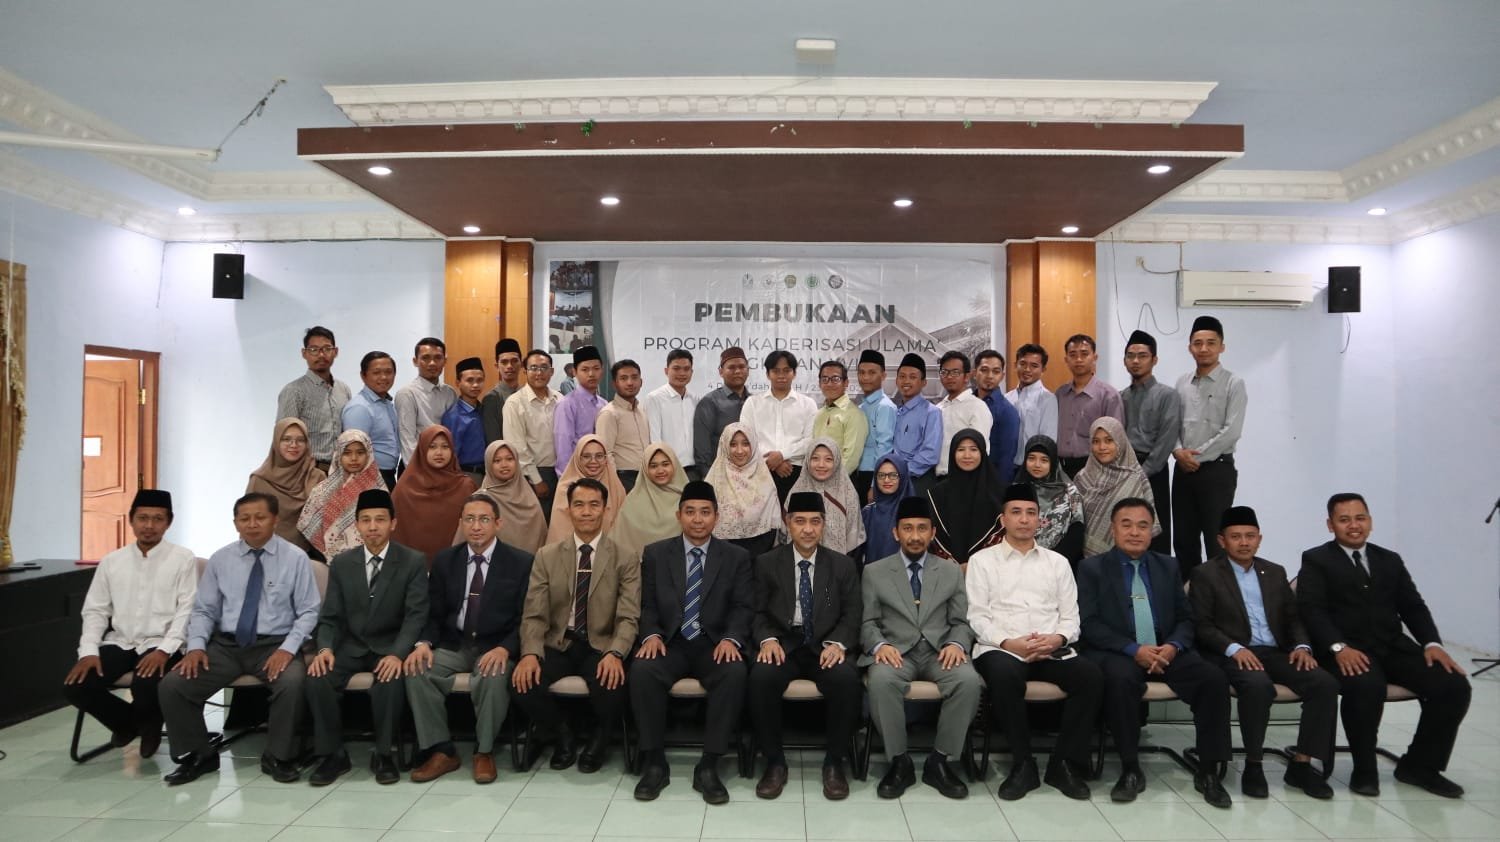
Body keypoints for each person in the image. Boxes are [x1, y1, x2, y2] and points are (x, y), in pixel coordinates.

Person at [1296, 493, 1470, 799]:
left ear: (1370, 521)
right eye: (1344, 520)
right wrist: (1337, 647)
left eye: (1360, 518)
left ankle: (1420, 766)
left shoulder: (1390, 560)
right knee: (1365, 686)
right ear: (1330, 525)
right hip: (1345, 650)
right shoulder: (1316, 559)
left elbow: (1413, 606)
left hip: (1392, 646)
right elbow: (1312, 611)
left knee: (1453, 685)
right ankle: (1364, 770)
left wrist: (1432, 643)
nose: (1354, 526)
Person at [1076, 498, 1233, 809]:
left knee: (1213, 679)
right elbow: (1088, 623)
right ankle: (1130, 768)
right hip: (1120, 651)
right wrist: (1134, 649)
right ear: (1113, 529)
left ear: (1152, 531)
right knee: (1119, 681)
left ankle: (1208, 770)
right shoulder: (1092, 568)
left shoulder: (1168, 566)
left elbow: (1186, 618)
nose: (1135, 532)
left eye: (1143, 526)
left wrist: (1173, 646)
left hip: (1166, 649)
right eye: (1127, 525)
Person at [159, 492, 321, 786]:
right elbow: (204, 610)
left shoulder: (295, 558)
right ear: (235, 523)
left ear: (275, 520)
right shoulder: (221, 559)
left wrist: (288, 649)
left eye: (260, 517)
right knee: (174, 685)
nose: (252, 524)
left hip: (275, 644)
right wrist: (195, 647)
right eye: (244, 518)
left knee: (293, 682)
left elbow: (309, 611)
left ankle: (279, 756)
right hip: (226, 646)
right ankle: (199, 754)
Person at [1189, 506, 1337, 799]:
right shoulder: (1206, 573)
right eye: (1236, 537)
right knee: (1258, 686)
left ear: (1259, 539)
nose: (1244, 542)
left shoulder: (1274, 572)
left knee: (1324, 683)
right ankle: (1254, 765)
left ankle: (1302, 764)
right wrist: (1234, 649)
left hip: (1276, 651)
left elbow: (1293, 618)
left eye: (1250, 536)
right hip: (1233, 653)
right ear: (1221, 541)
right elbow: (1201, 625)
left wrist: (1302, 646)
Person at [967, 484, 1100, 801]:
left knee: (1091, 677)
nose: (1024, 519)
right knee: (1004, 676)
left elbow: (1071, 617)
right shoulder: (982, 561)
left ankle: (1062, 763)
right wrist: (1009, 643)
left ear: (1040, 520)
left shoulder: (1057, 563)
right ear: (1003, 520)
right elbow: (977, 617)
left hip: (1050, 649)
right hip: (1001, 648)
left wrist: (1057, 638)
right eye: (1016, 512)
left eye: (1030, 513)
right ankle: (1023, 764)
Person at [630, 481, 755, 804]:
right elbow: (647, 604)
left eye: (705, 512)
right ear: (679, 515)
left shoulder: (736, 557)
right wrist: (651, 635)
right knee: (643, 670)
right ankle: (655, 762)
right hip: (670, 642)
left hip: (713, 643)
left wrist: (731, 639)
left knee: (734, 672)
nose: (697, 519)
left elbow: (743, 606)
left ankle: (709, 765)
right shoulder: (656, 554)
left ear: (716, 517)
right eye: (690, 512)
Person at [514, 477, 642, 773]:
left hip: (601, 644)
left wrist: (616, 653)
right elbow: (534, 613)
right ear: (568, 510)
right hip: (558, 642)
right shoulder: (547, 556)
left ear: (605, 510)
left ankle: (599, 740)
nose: (586, 512)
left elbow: (628, 615)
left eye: (594, 505)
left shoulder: (625, 557)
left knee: (614, 685)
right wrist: (530, 653)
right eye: (579, 505)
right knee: (521, 683)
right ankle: (563, 734)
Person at [405, 494, 535, 784]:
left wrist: (505, 648)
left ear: (498, 524)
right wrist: (423, 644)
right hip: (454, 644)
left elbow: (526, 618)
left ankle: (484, 751)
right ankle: (441, 750)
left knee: (493, 674)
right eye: (470, 519)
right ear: (461, 523)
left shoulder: (520, 562)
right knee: (416, 669)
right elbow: (433, 613)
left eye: (484, 519)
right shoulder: (445, 560)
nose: (476, 526)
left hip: (495, 645)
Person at [304, 488, 428, 786]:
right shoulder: (342, 563)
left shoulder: (412, 561)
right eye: (366, 520)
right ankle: (332, 755)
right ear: (357, 525)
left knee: (390, 680)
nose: (373, 526)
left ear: (393, 523)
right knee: (319, 677)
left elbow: (415, 616)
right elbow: (331, 616)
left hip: (389, 646)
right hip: (350, 646)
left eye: (380, 520)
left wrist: (397, 653)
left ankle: (384, 754)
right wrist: (324, 649)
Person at [862, 496, 981, 801]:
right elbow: (867, 623)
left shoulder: (951, 571)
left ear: (932, 533)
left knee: (968, 681)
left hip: (939, 652)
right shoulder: (875, 572)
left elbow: (961, 621)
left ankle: (940, 761)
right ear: (895, 533)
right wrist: (880, 644)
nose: (915, 536)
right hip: (896, 653)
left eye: (922, 528)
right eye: (908, 528)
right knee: (881, 680)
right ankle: (899, 762)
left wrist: (956, 643)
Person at [64, 489, 196, 759]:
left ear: (169, 522)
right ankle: (131, 723)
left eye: (158, 519)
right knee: (76, 685)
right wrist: (88, 651)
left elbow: (188, 609)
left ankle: (148, 724)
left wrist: (165, 650)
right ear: (131, 520)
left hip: (162, 643)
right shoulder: (112, 561)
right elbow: (95, 611)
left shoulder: (183, 559)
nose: (149, 525)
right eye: (143, 518)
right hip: (121, 641)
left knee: (146, 683)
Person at [748, 492, 862, 801]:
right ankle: (774, 762)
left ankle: (834, 763)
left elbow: (853, 613)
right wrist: (767, 639)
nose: (808, 529)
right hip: (783, 643)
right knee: (761, 678)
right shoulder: (767, 563)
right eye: (800, 521)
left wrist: (838, 644)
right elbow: (756, 611)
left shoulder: (842, 565)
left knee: (846, 680)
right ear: (788, 523)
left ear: (824, 524)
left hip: (824, 645)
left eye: (815, 522)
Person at [1172, 315, 1247, 578]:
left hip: (1217, 471)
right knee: (1183, 540)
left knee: (1216, 540)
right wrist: (1177, 451)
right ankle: (1188, 595)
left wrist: (1195, 457)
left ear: (1221, 347)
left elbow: (1231, 431)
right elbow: (1173, 424)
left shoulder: (1233, 383)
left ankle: (1218, 596)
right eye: (1198, 343)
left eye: (1211, 343)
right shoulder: (1181, 382)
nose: (1203, 348)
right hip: (1183, 470)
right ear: (1190, 347)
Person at [1121, 330, 1181, 555]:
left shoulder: (1167, 395)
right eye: (1130, 356)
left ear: (1154, 360)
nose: (1136, 361)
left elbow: (1167, 439)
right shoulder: (1120, 396)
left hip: (1154, 471)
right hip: (1125, 470)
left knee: (1156, 534)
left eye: (1142, 356)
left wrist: (1142, 473)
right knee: (1125, 530)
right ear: (1124, 361)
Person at [391, 425, 478, 564]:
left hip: (456, 566)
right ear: (422, 449)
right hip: (413, 568)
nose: (439, 452)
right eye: (432, 447)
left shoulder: (465, 487)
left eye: (445, 446)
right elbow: (394, 532)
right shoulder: (405, 488)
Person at [1074, 417, 1159, 557]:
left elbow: (1148, 523)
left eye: (1109, 440)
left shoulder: (1135, 477)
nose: (1102, 447)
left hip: (1131, 557)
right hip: (1089, 561)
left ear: (1120, 441)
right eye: (1096, 441)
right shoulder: (1082, 478)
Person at [741, 350, 817, 504]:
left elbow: (810, 440)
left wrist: (782, 455)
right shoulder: (752, 403)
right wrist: (772, 461)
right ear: (768, 374)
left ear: (794, 373)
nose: (781, 375)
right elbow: (746, 439)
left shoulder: (808, 404)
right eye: (776, 371)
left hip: (797, 472)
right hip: (760, 470)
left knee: (795, 517)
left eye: (786, 370)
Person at [299, 429, 389, 558]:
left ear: (369, 454)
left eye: (360, 452)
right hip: (327, 562)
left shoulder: (379, 491)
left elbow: (385, 529)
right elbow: (312, 533)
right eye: (347, 453)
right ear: (338, 455)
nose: (354, 458)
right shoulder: (322, 491)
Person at [245, 417, 326, 555]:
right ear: (276, 442)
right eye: (286, 439)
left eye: (300, 440)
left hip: (309, 555)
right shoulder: (259, 480)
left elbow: (325, 523)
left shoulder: (317, 477)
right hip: (265, 553)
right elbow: (248, 523)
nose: (293, 445)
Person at [276, 325, 352, 471]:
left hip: (341, 471)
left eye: (327, 349)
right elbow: (283, 439)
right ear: (304, 353)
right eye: (314, 349)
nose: (321, 355)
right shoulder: (293, 391)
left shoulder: (343, 390)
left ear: (335, 352)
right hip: (308, 471)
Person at [926, 429, 1003, 569]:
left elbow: (1003, 535)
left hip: (989, 570)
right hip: (946, 571)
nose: (967, 455)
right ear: (952, 453)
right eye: (961, 449)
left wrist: (974, 565)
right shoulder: (937, 494)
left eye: (973, 449)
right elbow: (933, 536)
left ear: (982, 453)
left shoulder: (998, 492)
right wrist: (955, 567)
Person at [704, 423, 783, 557]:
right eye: (733, 444)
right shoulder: (713, 481)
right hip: (723, 556)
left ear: (753, 445)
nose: (740, 451)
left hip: (761, 553)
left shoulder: (765, 480)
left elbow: (772, 526)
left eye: (746, 444)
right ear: (724, 446)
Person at [503, 349, 564, 519]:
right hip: (533, 475)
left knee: (558, 525)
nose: (539, 373)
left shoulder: (560, 399)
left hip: (560, 473)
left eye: (544, 368)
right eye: (533, 368)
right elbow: (517, 446)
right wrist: (536, 480)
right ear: (525, 371)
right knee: (536, 525)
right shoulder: (514, 403)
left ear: (552, 371)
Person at [1055, 334, 1125, 477]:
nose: (1078, 359)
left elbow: (1116, 439)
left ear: (1094, 357)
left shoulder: (1108, 395)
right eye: (1073, 355)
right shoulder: (1060, 394)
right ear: (1066, 360)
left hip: (1095, 468)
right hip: (1061, 469)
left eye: (1084, 354)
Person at [786, 437, 865, 555]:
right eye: (815, 458)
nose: (821, 465)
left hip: (839, 562)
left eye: (828, 459)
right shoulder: (796, 492)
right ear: (807, 460)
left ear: (837, 461)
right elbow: (785, 534)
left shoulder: (848, 494)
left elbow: (854, 539)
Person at [610, 441, 689, 560]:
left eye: (665, 464)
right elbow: (618, 545)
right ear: (645, 469)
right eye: (653, 466)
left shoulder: (688, 498)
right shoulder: (632, 502)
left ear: (675, 464)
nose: (660, 470)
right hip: (640, 568)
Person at [546, 433, 628, 544]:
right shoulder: (565, 489)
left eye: (599, 456)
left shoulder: (615, 487)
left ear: (606, 459)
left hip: (611, 549)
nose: (593, 461)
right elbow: (560, 532)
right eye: (586, 456)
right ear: (577, 458)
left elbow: (623, 529)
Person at [1016, 435, 1085, 565]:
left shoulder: (1069, 491)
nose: (1037, 465)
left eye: (1044, 460)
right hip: (1020, 560)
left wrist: (1052, 562)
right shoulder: (1016, 490)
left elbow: (1077, 530)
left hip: (1058, 562)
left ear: (1053, 462)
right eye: (1031, 458)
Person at [471, 440, 549, 554]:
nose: (504, 465)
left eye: (509, 459)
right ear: (488, 464)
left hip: (533, 562)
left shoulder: (528, 495)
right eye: (497, 461)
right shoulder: (480, 500)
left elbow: (541, 536)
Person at [394, 337, 457, 470]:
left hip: (444, 466)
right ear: (415, 361)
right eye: (426, 358)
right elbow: (407, 439)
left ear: (445, 361)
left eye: (438, 358)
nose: (432, 363)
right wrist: (419, 472)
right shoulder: (407, 394)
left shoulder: (449, 392)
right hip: (417, 467)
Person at [341, 351, 400, 488]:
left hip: (387, 475)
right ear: (363, 376)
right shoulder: (359, 408)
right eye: (376, 372)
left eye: (388, 372)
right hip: (368, 478)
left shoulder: (387, 403)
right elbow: (354, 454)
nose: (383, 377)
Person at [642, 349, 700, 480]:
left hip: (694, 470)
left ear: (692, 372)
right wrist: (661, 467)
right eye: (676, 368)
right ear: (666, 370)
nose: (682, 373)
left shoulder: (695, 399)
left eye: (686, 369)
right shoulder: (654, 398)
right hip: (668, 470)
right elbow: (654, 439)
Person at [595, 358, 651, 490]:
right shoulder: (609, 413)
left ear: (641, 382)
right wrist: (615, 485)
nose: (630, 382)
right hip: (623, 478)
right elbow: (606, 453)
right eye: (624, 378)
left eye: (634, 377)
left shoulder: (642, 411)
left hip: (645, 477)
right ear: (614, 384)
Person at [693, 346, 750, 474]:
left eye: (741, 367)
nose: (737, 371)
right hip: (720, 474)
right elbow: (702, 449)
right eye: (731, 367)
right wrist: (709, 478)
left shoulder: (754, 402)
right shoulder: (709, 402)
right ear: (721, 372)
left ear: (748, 370)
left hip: (751, 474)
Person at [935, 351, 992, 477]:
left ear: (967, 376)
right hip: (936, 478)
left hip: (965, 477)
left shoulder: (977, 407)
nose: (949, 377)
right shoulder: (938, 408)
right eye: (944, 372)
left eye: (955, 372)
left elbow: (979, 449)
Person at [892, 353, 943, 495]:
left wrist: (901, 472)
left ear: (923, 382)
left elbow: (931, 454)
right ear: (896, 380)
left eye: (913, 377)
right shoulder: (895, 411)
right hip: (893, 480)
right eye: (902, 376)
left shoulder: (932, 412)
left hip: (918, 481)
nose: (906, 381)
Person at [853, 349, 897, 503]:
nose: (865, 377)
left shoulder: (884, 406)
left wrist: (875, 484)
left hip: (872, 474)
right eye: (861, 372)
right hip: (859, 473)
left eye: (872, 373)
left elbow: (884, 447)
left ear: (883, 375)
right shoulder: (861, 407)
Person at [972, 349, 1021, 485]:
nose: (990, 376)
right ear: (974, 373)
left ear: (1002, 376)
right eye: (984, 370)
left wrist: (999, 492)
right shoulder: (965, 403)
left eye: (996, 371)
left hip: (989, 483)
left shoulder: (1007, 412)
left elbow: (1006, 458)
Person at [1005, 343, 1058, 468]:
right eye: (1023, 364)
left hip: (1032, 467)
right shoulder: (1007, 398)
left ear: (1043, 369)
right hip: (1007, 465)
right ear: (1015, 365)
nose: (1027, 369)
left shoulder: (1048, 399)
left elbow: (1047, 439)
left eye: (1034, 366)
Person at [554, 345, 607, 469]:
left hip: (600, 472)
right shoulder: (567, 404)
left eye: (596, 368)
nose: (591, 374)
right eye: (585, 369)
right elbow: (563, 449)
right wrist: (567, 478)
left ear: (602, 370)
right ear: (575, 372)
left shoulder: (604, 404)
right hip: (577, 473)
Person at [856, 453, 914, 565]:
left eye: (893, 475)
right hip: (874, 572)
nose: (886, 480)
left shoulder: (914, 512)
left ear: (902, 477)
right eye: (881, 475)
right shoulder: (868, 512)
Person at [812, 359, 867, 476]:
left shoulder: (854, 414)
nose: (829, 384)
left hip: (842, 479)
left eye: (835, 379)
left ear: (846, 383)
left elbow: (851, 457)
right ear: (819, 384)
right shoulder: (819, 413)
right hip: (818, 478)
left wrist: (832, 479)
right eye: (825, 379)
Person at [440, 356, 488, 482]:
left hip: (487, 474)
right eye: (469, 380)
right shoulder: (453, 416)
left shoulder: (484, 410)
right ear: (458, 383)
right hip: (464, 474)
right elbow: (451, 455)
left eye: (479, 380)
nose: (475, 385)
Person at [481, 338, 524, 445]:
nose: (509, 366)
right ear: (497, 366)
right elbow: (494, 441)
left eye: (514, 361)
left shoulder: (527, 394)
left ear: (521, 364)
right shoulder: (491, 399)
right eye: (504, 362)